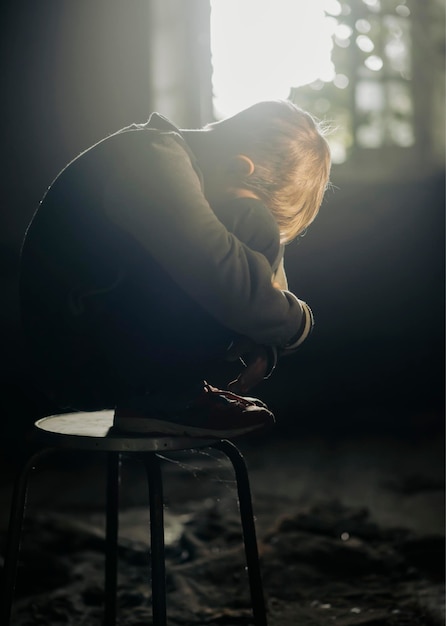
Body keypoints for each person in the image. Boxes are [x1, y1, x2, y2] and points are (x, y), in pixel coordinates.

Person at [19, 100, 331, 438]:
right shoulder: (150, 158)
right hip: (75, 359)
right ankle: (164, 397)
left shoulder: (179, 160)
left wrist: (265, 335)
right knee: (254, 227)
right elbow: (219, 271)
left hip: (104, 341)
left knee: (253, 241)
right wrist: (297, 322)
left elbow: (266, 284)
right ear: (241, 169)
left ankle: (171, 392)